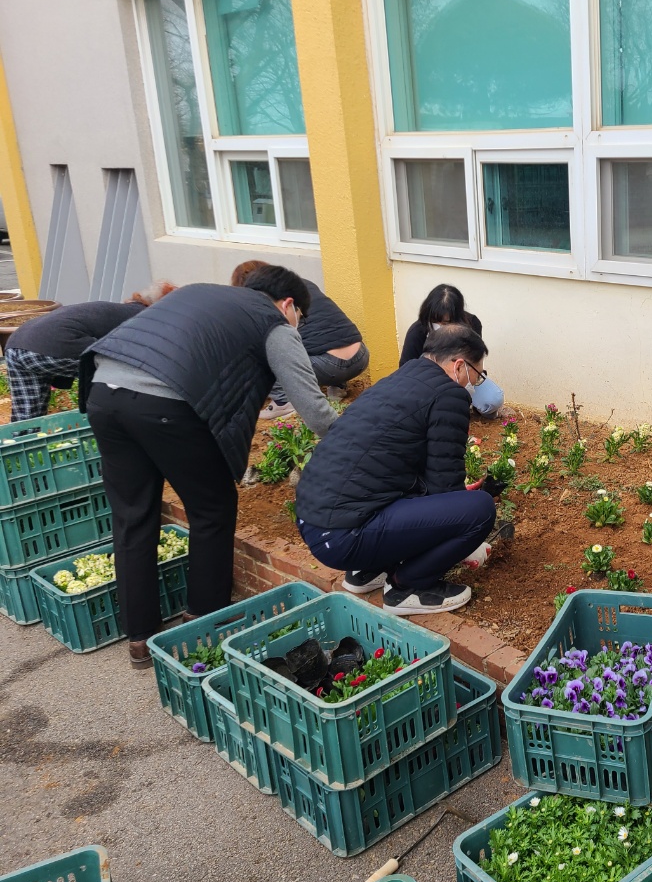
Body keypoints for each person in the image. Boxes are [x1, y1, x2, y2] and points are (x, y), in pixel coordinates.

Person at [81, 267, 337, 668]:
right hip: (164, 404)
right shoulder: (273, 322)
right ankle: (204, 618)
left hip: (103, 391)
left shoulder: (198, 290)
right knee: (212, 510)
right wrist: (353, 437)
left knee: (132, 515)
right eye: (300, 318)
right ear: (288, 304)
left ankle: (140, 637)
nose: (297, 326)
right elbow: (312, 407)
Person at [295, 324, 497, 615]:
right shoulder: (448, 395)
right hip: (343, 536)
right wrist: (467, 540)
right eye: (476, 376)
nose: (472, 384)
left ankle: (367, 571)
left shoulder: (400, 378)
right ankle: (407, 586)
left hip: (313, 522)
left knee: (401, 484)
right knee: (479, 509)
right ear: (459, 366)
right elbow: (445, 487)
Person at [3, 283, 176, 421]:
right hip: (54, 345)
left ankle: (15, 455)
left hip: (15, 345)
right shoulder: (147, 318)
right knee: (119, 375)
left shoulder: (117, 310)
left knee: (26, 415)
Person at [228, 261, 369, 418]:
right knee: (320, 336)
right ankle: (337, 387)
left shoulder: (265, 302)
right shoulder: (301, 284)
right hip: (360, 356)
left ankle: (283, 403)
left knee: (262, 356)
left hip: (328, 365)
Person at [399, 283, 504, 417]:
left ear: (458, 318)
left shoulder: (472, 324)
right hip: (428, 385)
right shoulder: (418, 331)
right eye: (436, 321)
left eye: (446, 323)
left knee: (493, 399)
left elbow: (475, 363)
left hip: (464, 378)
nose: (441, 327)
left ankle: (469, 406)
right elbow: (406, 369)